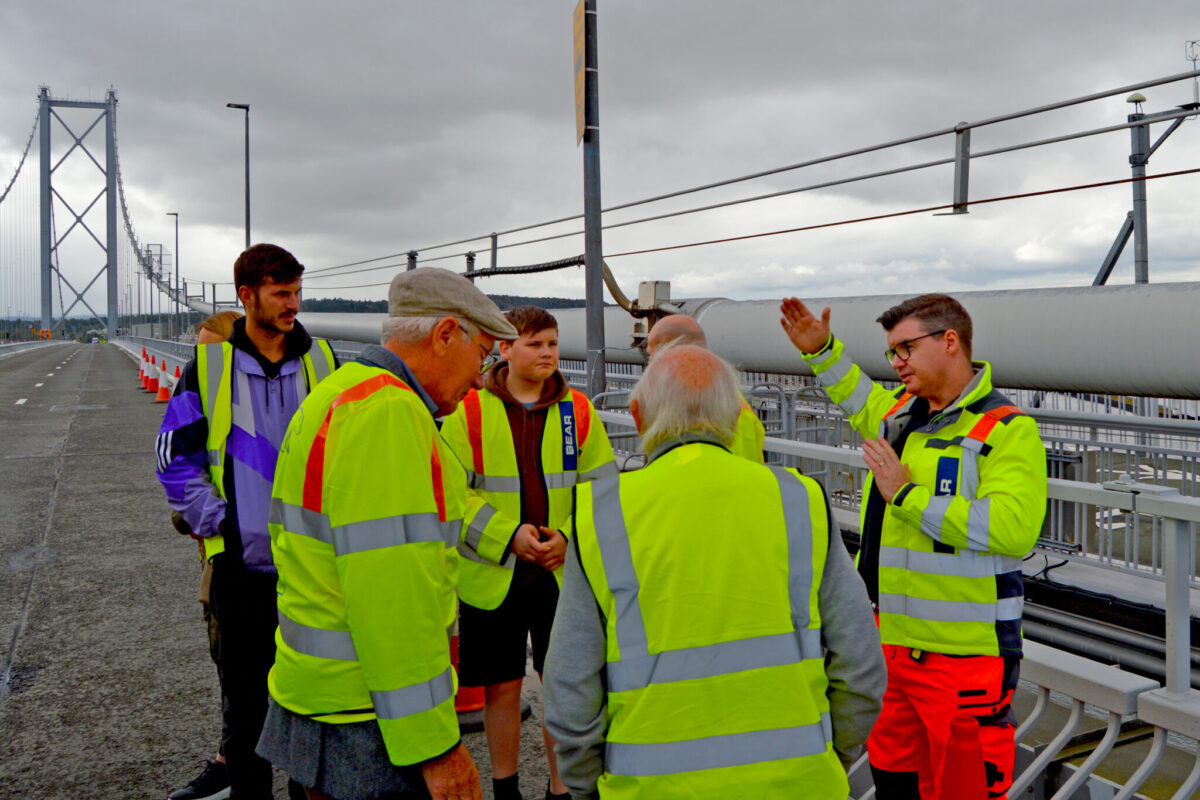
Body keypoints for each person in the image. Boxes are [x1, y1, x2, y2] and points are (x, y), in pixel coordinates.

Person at [543, 345, 885, 799]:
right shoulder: (799, 501)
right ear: (736, 415)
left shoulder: (600, 517)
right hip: (798, 783)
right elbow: (860, 667)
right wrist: (828, 756)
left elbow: (570, 694)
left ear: (637, 414)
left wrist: (588, 787)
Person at [257, 268, 519, 800]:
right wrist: (435, 747)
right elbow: (393, 595)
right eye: (485, 354)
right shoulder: (389, 414)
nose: (483, 374)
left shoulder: (342, 391)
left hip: (322, 699)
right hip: (366, 719)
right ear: (446, 336)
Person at [779, 293, 1047, 799]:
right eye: (892, 353)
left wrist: (906, 495)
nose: (897, 363)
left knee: (964, 788)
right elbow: (856, 395)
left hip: (962, 660)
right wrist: (821, 351)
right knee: (895, 781)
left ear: (950, 342)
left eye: (905, 349)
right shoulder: (905, 413)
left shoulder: (1007, 431)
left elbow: (1013, 529)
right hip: (890, 649)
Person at [156, 244, 338, 800]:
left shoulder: (324, 362)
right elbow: (172, 457)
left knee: (315, 709)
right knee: (247, 713)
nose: (294, 304)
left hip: (313, 569)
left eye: (297, 292)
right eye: (281, 293)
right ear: (247, 296)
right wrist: (223, 526)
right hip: (242, 571)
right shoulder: (207, 369)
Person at [441, 306, 616, 800]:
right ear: (505, 349)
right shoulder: (469, 411)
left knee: (563, 684)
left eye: (553, 344)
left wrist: (569, 537)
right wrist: (507, 536)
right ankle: (506, 787)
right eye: (536, 344)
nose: (547, 353)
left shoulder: (577, 411)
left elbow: (600, 487)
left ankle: (560, 791)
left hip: (562, 574)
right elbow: (454, 494)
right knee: (500, 686)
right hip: (494, 574)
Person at [166, 309, 244, 800]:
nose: (200, 361)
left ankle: (233, 764)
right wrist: (210, 517)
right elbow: (176, 463)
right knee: (232, 664)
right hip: (221, 556)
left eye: (209, 349)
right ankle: (232, 761)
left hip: (268, 554)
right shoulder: (200, 391)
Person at [645, 313, 766, 463]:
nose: (650, 363)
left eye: (651, 355)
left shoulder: (727, 411)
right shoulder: (728, 400)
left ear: (670, 352)